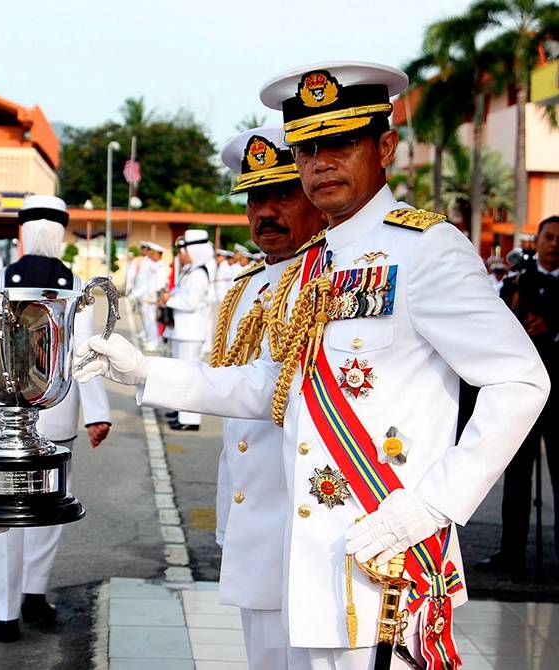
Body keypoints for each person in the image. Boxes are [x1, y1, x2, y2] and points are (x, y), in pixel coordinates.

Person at [75, 61, 548, 669]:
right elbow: (272, 386)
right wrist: (145, 371)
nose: (320, 162)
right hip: (310, 570)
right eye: (307, 147)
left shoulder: (426, 250)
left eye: (340, 143)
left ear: (384, 147)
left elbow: (521, 379)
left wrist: (435, 503)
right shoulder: (312, 264)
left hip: (387, 565)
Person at [208, 126, 328, 669]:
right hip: (253, 520)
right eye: (256, 198)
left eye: (283, 194)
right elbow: (235, 426)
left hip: (313, 524)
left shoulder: (335, 279)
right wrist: (227, 519)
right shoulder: (243, 291)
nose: (266, 212)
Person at [0, 195, 112, 642]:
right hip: (55, 413)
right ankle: (35, 593)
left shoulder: (0, 276)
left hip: (1, 413)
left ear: (23, 230)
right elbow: (84, 352)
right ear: (60, 231)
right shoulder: (76, 283)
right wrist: (97, 413)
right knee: (49, 509)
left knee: (2, 514)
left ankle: (5, 613)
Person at [477, 216, 559, 577]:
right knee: (517, 476)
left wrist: (552, 329)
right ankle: (511, 552)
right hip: (521, 392)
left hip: (558, 394)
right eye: (549, 237)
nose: (554, 244)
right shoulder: (515, 281)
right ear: (537, 240)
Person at [162, 229, 214, 431]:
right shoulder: (190, 272)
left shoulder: (199, 275)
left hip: (191, 333)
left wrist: (169, 300)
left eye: (184, 250)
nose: (180, 255)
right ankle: (181, 411)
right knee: (180, 374)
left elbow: (191, 302)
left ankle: (190, 419)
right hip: (182, 331)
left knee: (190, 376)